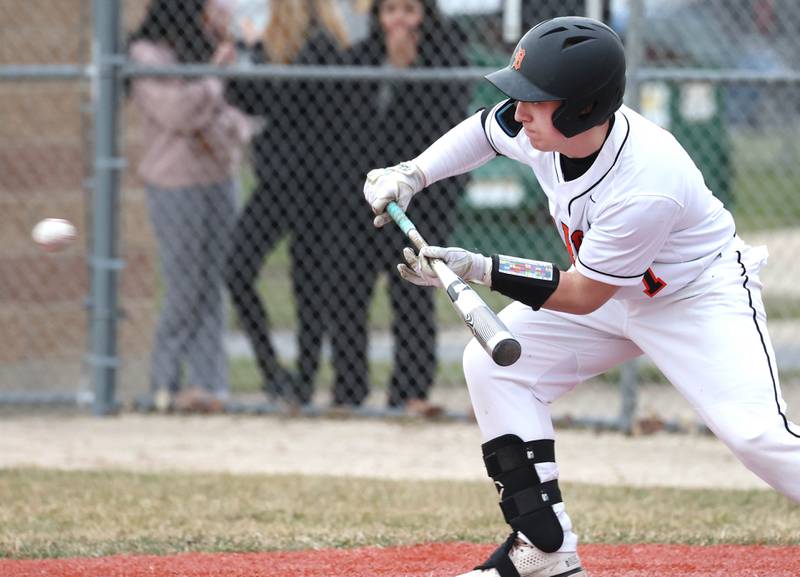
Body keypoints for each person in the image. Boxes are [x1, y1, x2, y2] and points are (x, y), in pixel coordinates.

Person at [363, 16, 800, 577]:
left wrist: (477, 266)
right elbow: (482, 130)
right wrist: (412, 173)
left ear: (582, 109)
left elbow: (583, 293)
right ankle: (544, 549)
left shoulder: (646, 180)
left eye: (535, 101)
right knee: (496, 366)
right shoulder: (541, 131)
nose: (520, 112)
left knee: (758, 437)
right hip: (610, 291)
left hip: (695, 298)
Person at [335, 0, 472, 413]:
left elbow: (435, 134)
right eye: (389, 10)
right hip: (362, 199)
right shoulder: (358, 61)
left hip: (421, 204)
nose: (398, 20)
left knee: (412, 293)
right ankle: (349, 390)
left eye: (409, 10)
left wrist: (407, 76)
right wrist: (389, 72)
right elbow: (350, 131)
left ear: (426, 16)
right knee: (347, 294)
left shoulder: (445, 61)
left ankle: (410, 391)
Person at [129, 0, 254, 413]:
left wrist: (214, 82)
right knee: (184, 288)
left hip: (218, 178)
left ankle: (209, 387)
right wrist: (213, 81)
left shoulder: (207, 50)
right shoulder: (146, 54)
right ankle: (163, 386)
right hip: (173, 183)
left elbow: (233, 117)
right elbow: (178, 112)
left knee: (212, 287)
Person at [224, 0, 351, 406]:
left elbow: (282, 96)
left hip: (316, 186)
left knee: (309, 286)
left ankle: (305, 383)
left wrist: (254, 55)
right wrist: (244, 54)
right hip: (276, 183)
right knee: (237, 270)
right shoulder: (274, 46)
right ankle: (273, 373)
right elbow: (247, 98)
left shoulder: (323, 43)